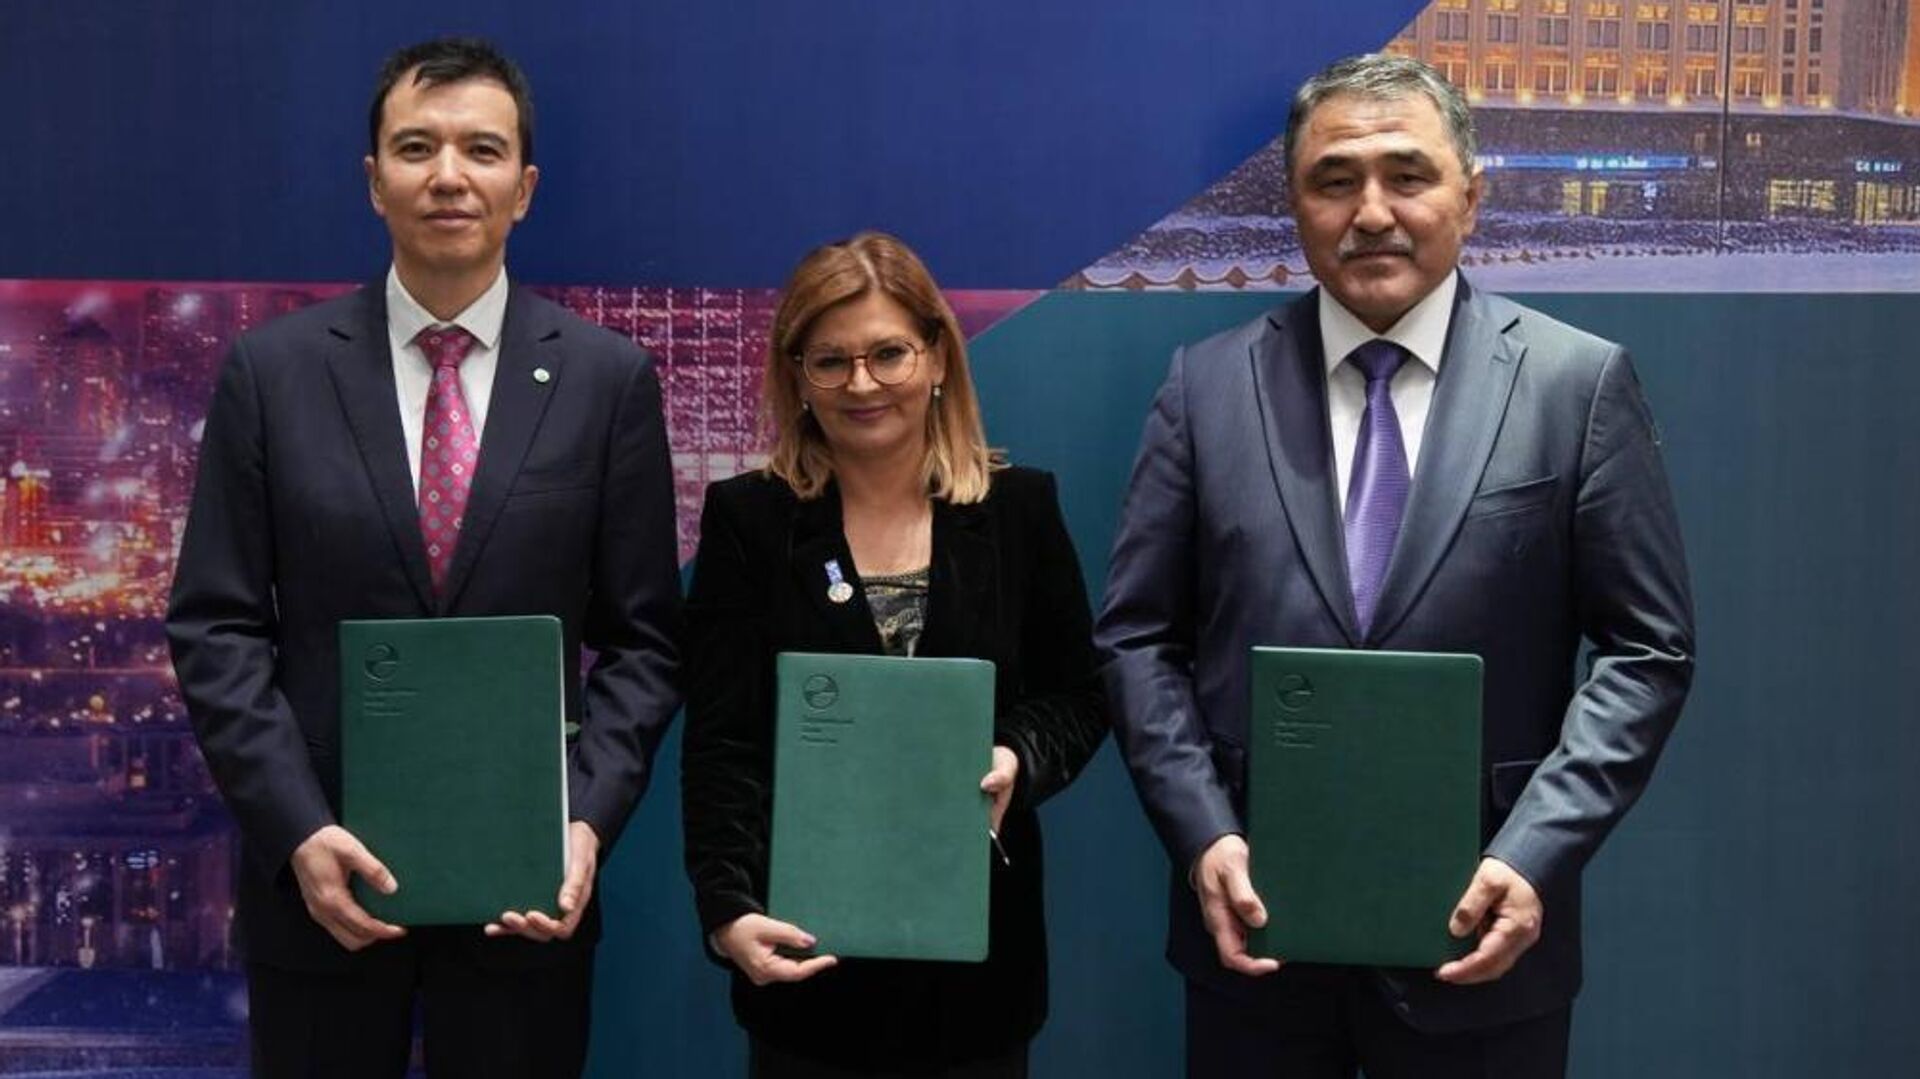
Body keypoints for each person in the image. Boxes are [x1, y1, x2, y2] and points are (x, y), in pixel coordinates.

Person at [1096, 53, 1695, 1078]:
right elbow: (1137, 636)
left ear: (1471, 195)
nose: (1371, 211)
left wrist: (1533, 852)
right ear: (1296, 205)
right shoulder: (1205, 388)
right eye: (1335, 180)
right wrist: (1202, 835)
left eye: (1407, 175)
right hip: (1257, 937)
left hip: (1485, 936)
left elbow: (1648, 650)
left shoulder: (1577, 384)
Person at [165, 37, 680, 1078]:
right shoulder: (272, 373)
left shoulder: (607, 380)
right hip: (323, 889)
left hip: (527, 896)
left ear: (523, 188)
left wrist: (583, 822)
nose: (449, 175)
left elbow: (645, 642)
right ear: (374, 180)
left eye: (482, 150)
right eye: (417, 147)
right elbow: (216, 624)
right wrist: (297, 831)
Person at [681, 231, 1107, 1077]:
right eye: (830, 361)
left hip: (977, 974)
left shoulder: (1019, 510)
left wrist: (1016, 756)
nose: (862, 383)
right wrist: (727, 906)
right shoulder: (749, 522)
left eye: (888, 353)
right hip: (804, 958)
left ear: (938, 356)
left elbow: (1079, 694)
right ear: (798, 376)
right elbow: (723, 740)